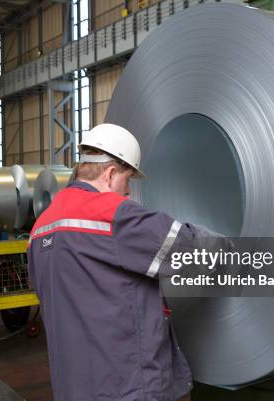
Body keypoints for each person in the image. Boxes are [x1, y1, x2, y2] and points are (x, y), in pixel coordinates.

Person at [27, 123, 227, 401]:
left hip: (71, 387)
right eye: (127, 180)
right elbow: (187, 248)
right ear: (110, 174)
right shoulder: (112, 216)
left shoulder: (41, 228)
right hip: (124, 386)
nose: (128, 193)